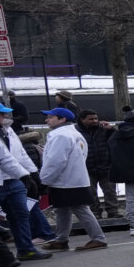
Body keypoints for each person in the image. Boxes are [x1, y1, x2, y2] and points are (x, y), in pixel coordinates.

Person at [38, 107, 106, 251]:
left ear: (62, 119)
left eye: (50, 117)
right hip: (73, 179)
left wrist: (44, 179)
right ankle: (62, 239)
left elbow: (55, 161)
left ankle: (98, 238)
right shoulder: (75, 135)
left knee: (80, 209)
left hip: (65, 181)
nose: (46, 120)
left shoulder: (61, 136)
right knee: (63, 210)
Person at [0, 100, 46, 260]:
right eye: (0, 113)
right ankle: (3, 256)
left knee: (20, 215)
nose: (5, 115)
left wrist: (29, 174)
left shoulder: (6, 130)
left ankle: (26, 249)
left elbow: (16, 156)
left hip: (13, 179)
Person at [76, 109, 120, 220]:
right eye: (91, 119)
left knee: (110, 190)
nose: (95, 121)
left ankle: (113, 211)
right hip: (87, 167)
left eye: (96, 118)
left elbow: (117, 139)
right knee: (90, 192)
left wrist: (111, 130)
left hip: (105, 165)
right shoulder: (76, 132)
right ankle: (94, 212)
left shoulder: (104, 130)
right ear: (82, 120)